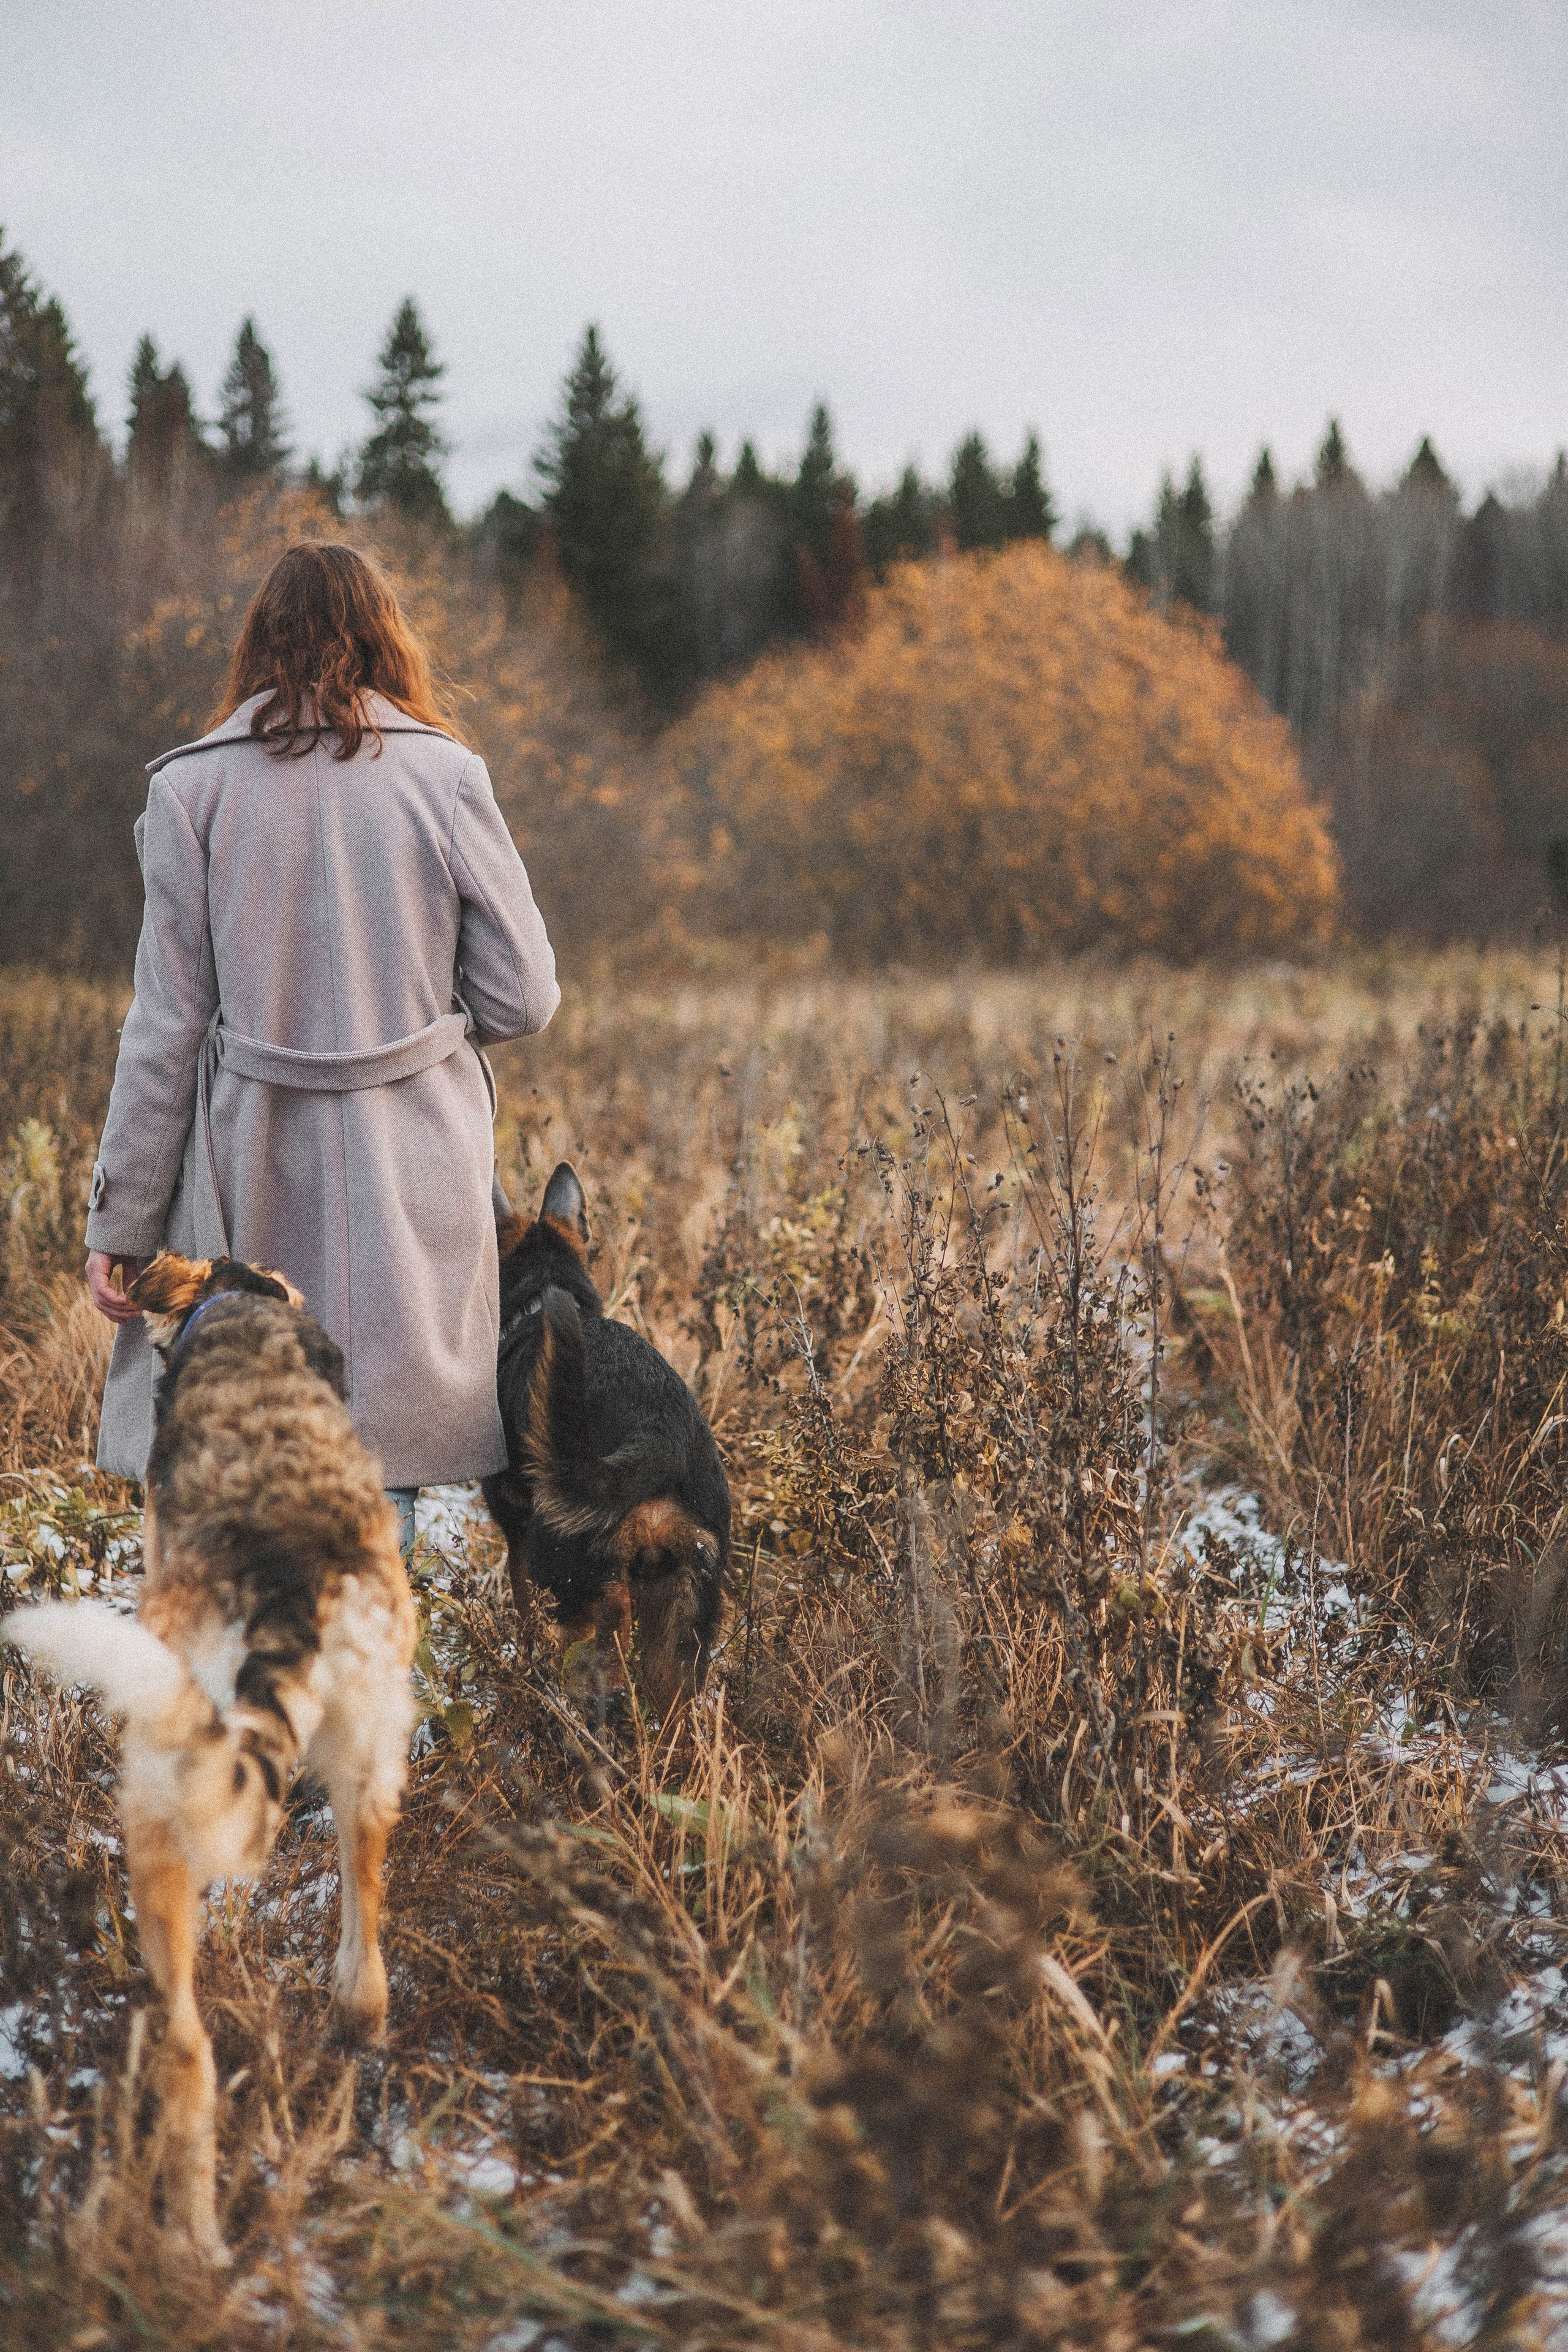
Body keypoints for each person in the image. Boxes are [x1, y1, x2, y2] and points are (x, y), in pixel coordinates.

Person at [84, 540, 559, 1550]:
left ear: (260, 644)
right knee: (387, 1455)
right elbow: (524, 997)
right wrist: (425, 1017)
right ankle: (385, 1688)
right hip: (416, 1152)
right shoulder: (449, 776)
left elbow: (164, 1026)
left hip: (251, 1153)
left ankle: (267, 1677)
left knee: (262, 1450)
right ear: (386, 637)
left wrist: (121, 1224)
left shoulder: (191, 792)